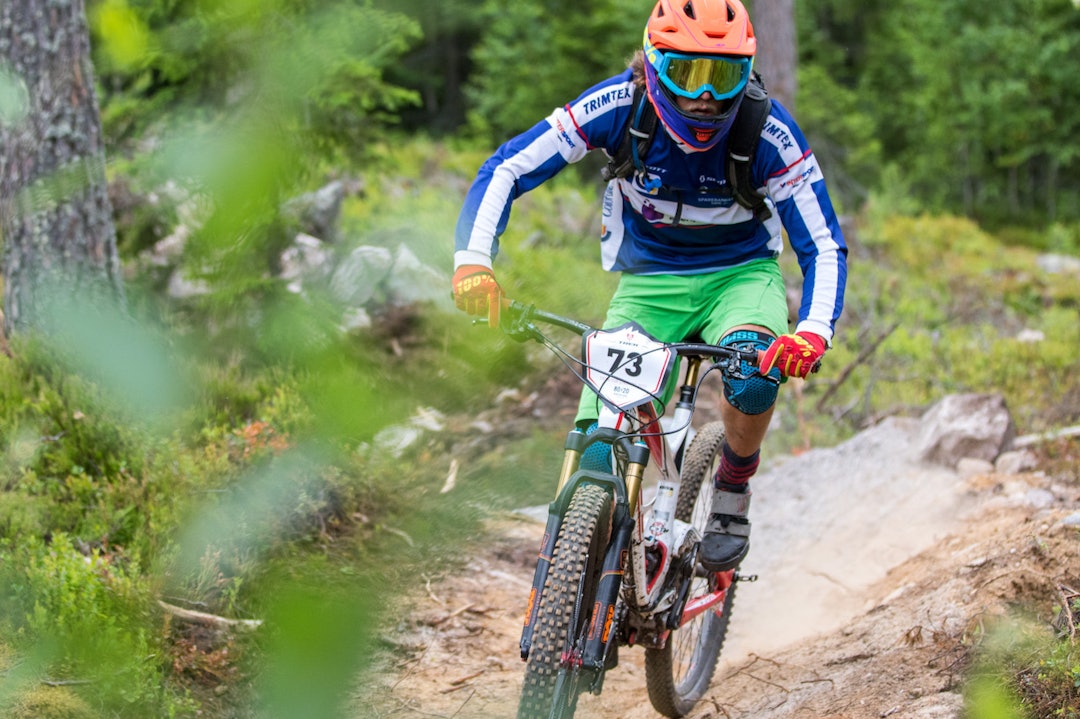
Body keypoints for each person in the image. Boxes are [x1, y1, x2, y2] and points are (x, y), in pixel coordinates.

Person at [451, 0, 847, 573]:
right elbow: (508, 167)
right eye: (690, 73)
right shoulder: (619, 104)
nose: (706, 97)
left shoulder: (769, 131)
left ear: (748, 73)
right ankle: (580, 572)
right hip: (650, 283)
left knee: (754, 374)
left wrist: (811, 332)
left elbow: (823, 245)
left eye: (725, 75)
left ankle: (733, 489)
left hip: (740, 277)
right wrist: (473, 261)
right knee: (597, 446)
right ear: (656, 64)